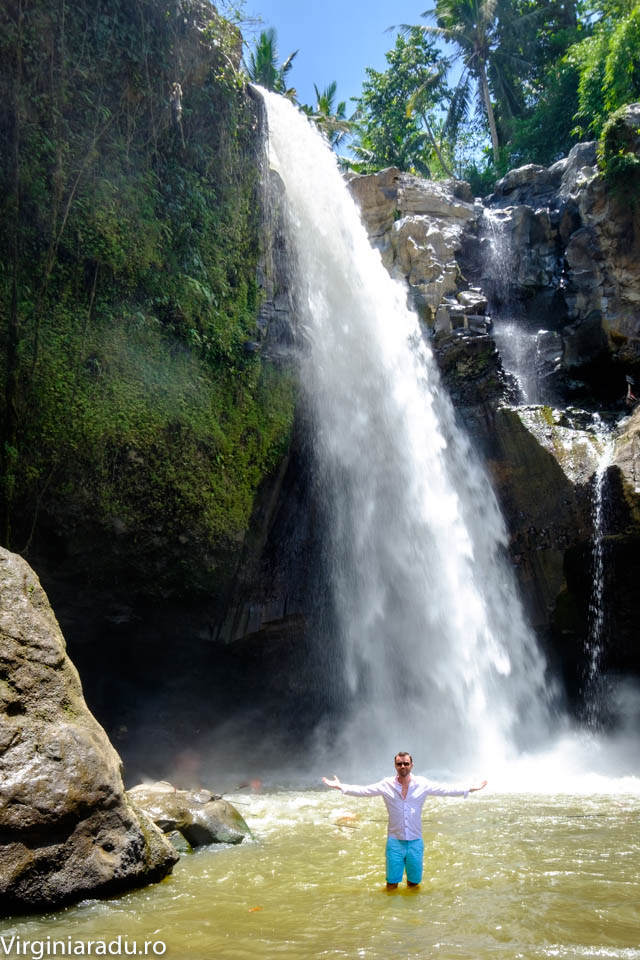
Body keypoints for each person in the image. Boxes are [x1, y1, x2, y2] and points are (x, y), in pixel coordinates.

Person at [322, 752, 487, 890]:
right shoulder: (386, 784)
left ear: (412, 765)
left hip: (416, 841)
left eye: (406, 764)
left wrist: (470, 788)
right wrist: (340, 786)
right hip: (395, 842)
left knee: (414, 884)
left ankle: (412, 913)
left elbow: (445, 789)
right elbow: (364, 790)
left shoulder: (422, 784)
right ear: (395, 766)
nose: (403, 767)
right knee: (391, 884)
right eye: (399, 764)